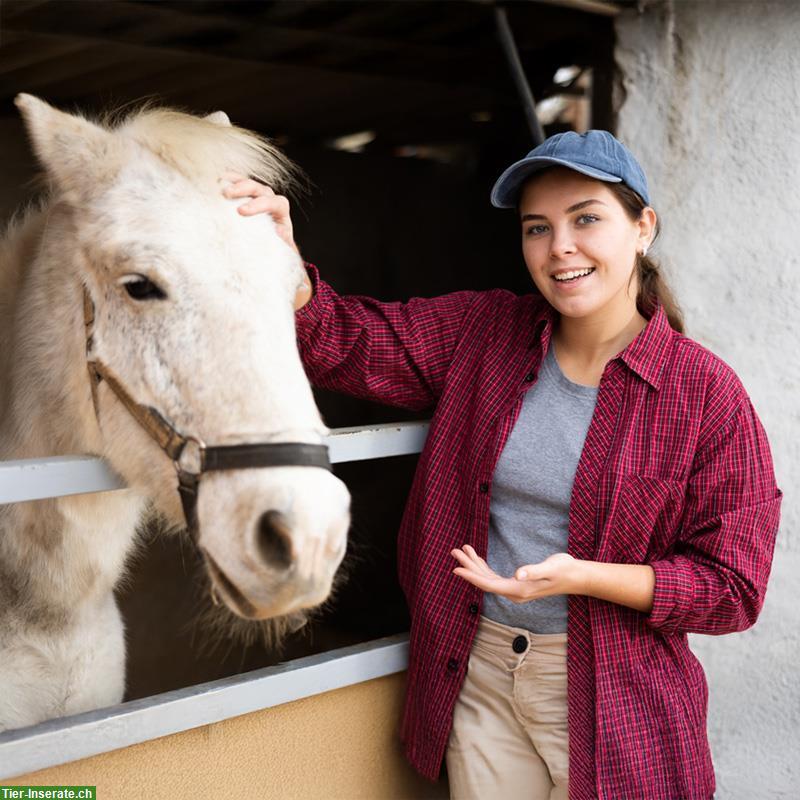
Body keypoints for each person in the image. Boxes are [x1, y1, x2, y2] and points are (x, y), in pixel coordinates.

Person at [224, 131, 781, 800]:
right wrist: (282, 261)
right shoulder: (485, 333)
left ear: (643, 228)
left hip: (614, 690)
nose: (560, 248)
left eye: (586, 219)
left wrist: (585, 578)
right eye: (537, 228)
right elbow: (348, 341)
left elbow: (732, 588)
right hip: (480, 672)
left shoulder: (704, 393)